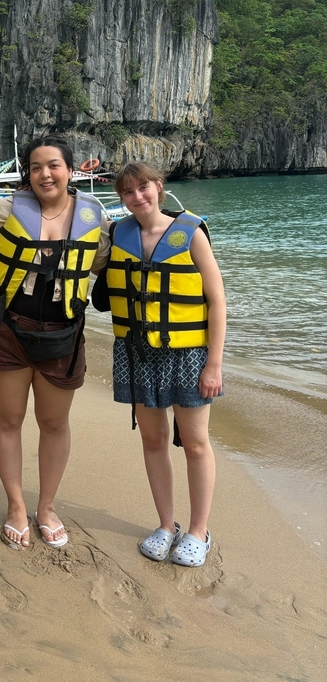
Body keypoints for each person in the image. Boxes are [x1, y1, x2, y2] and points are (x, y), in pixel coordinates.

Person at [0, 135, 110, 549]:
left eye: (53, 165)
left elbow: (108, 263)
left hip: (63, 333)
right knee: (8, 419)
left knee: (54, 423)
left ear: (70, 171)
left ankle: (47, 506)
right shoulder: (4, 211)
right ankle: (16, 505)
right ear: (27, 174)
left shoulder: (94, 215)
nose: (45, 174)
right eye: (36, 167)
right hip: (9, 330)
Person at [105, 161, 225, 567]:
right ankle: (166, 524)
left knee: (194, 442)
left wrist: (214, 363)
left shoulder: (191, 233)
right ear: (121, 198)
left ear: (159, 186)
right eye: (128, 192)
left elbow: (217, 301)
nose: (138, 197)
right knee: (153, 439)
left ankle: (198, 531)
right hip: (137, 350)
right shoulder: (117, 234)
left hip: (188, 352)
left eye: (144, 188)